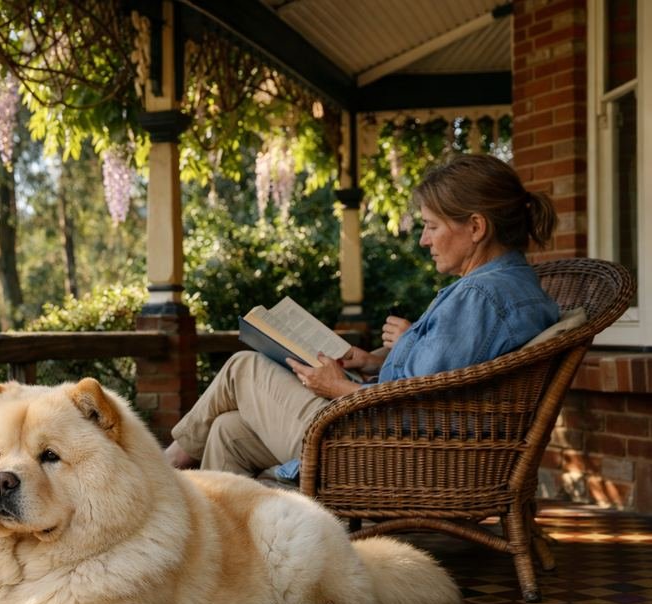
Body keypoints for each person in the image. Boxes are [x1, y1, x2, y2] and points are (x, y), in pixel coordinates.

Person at [165, 154, 561, 477]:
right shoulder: (511, 287)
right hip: (392, 437)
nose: (424, 240)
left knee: (243, 367)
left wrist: (337, 387)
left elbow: (415, 407)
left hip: (382, 448)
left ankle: (162, 469)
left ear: (476, 227)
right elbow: (438, 382)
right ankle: (233, 551)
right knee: (228, 431)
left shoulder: (480, 297)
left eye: (431, 226)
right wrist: (375, 361)